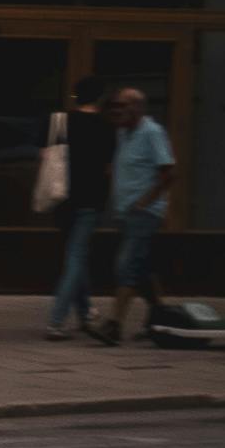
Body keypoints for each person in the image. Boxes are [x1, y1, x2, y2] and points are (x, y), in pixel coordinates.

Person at [86, 87, 177, 346]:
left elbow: (169, 172)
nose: (116, 111)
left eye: (121, 106)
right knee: (141, 267)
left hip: (144, 213)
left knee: (126, 265)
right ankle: (160, 318)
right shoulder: (124, 133)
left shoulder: (152, 132)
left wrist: (144, 201)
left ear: (137, 108)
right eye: (113, 106)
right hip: (127, 212)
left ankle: (114, 326)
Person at [43, 77, 115, 339]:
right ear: (100, 97)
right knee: (76, 257)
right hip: (91, 200)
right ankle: (56, 321)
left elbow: (47, 156)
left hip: (62, 198)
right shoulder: (107, 126)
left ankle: (85, 313)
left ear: (75, 96)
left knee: (76, 256)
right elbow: (108, 168)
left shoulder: (60, 121)